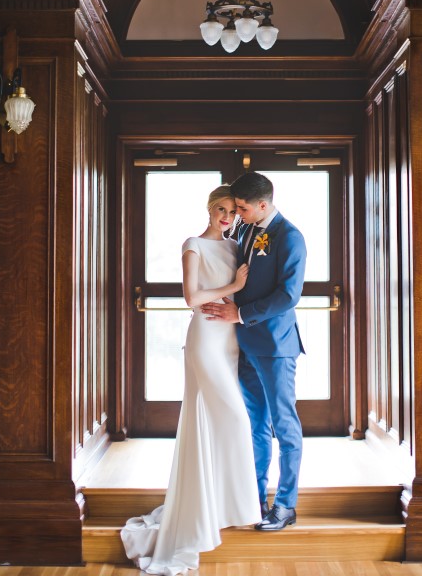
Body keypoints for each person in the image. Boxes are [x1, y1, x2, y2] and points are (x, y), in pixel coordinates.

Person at [120, 185, 261, 575]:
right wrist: (233, 287)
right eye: (221, 209)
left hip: (228, 339)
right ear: (210, 209)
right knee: (234, 418)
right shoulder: (193, 244)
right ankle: (218, 509)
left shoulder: (237, 248)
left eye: (233, 211)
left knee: (218, 424)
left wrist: (240, 300)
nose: (227, 217)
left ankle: (220, 506)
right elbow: (192, 297)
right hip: (204, 338)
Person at [202, 171, 306, 532]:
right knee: (255, 427)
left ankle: (286, 505)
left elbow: (288, 295)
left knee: (284, 426)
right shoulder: (246, 230)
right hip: (243, 344)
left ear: (263, 204)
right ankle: (254, 498)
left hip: (275, 346)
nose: (238, 215)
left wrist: (241, 313)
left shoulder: (290, 237)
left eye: (243, 208)